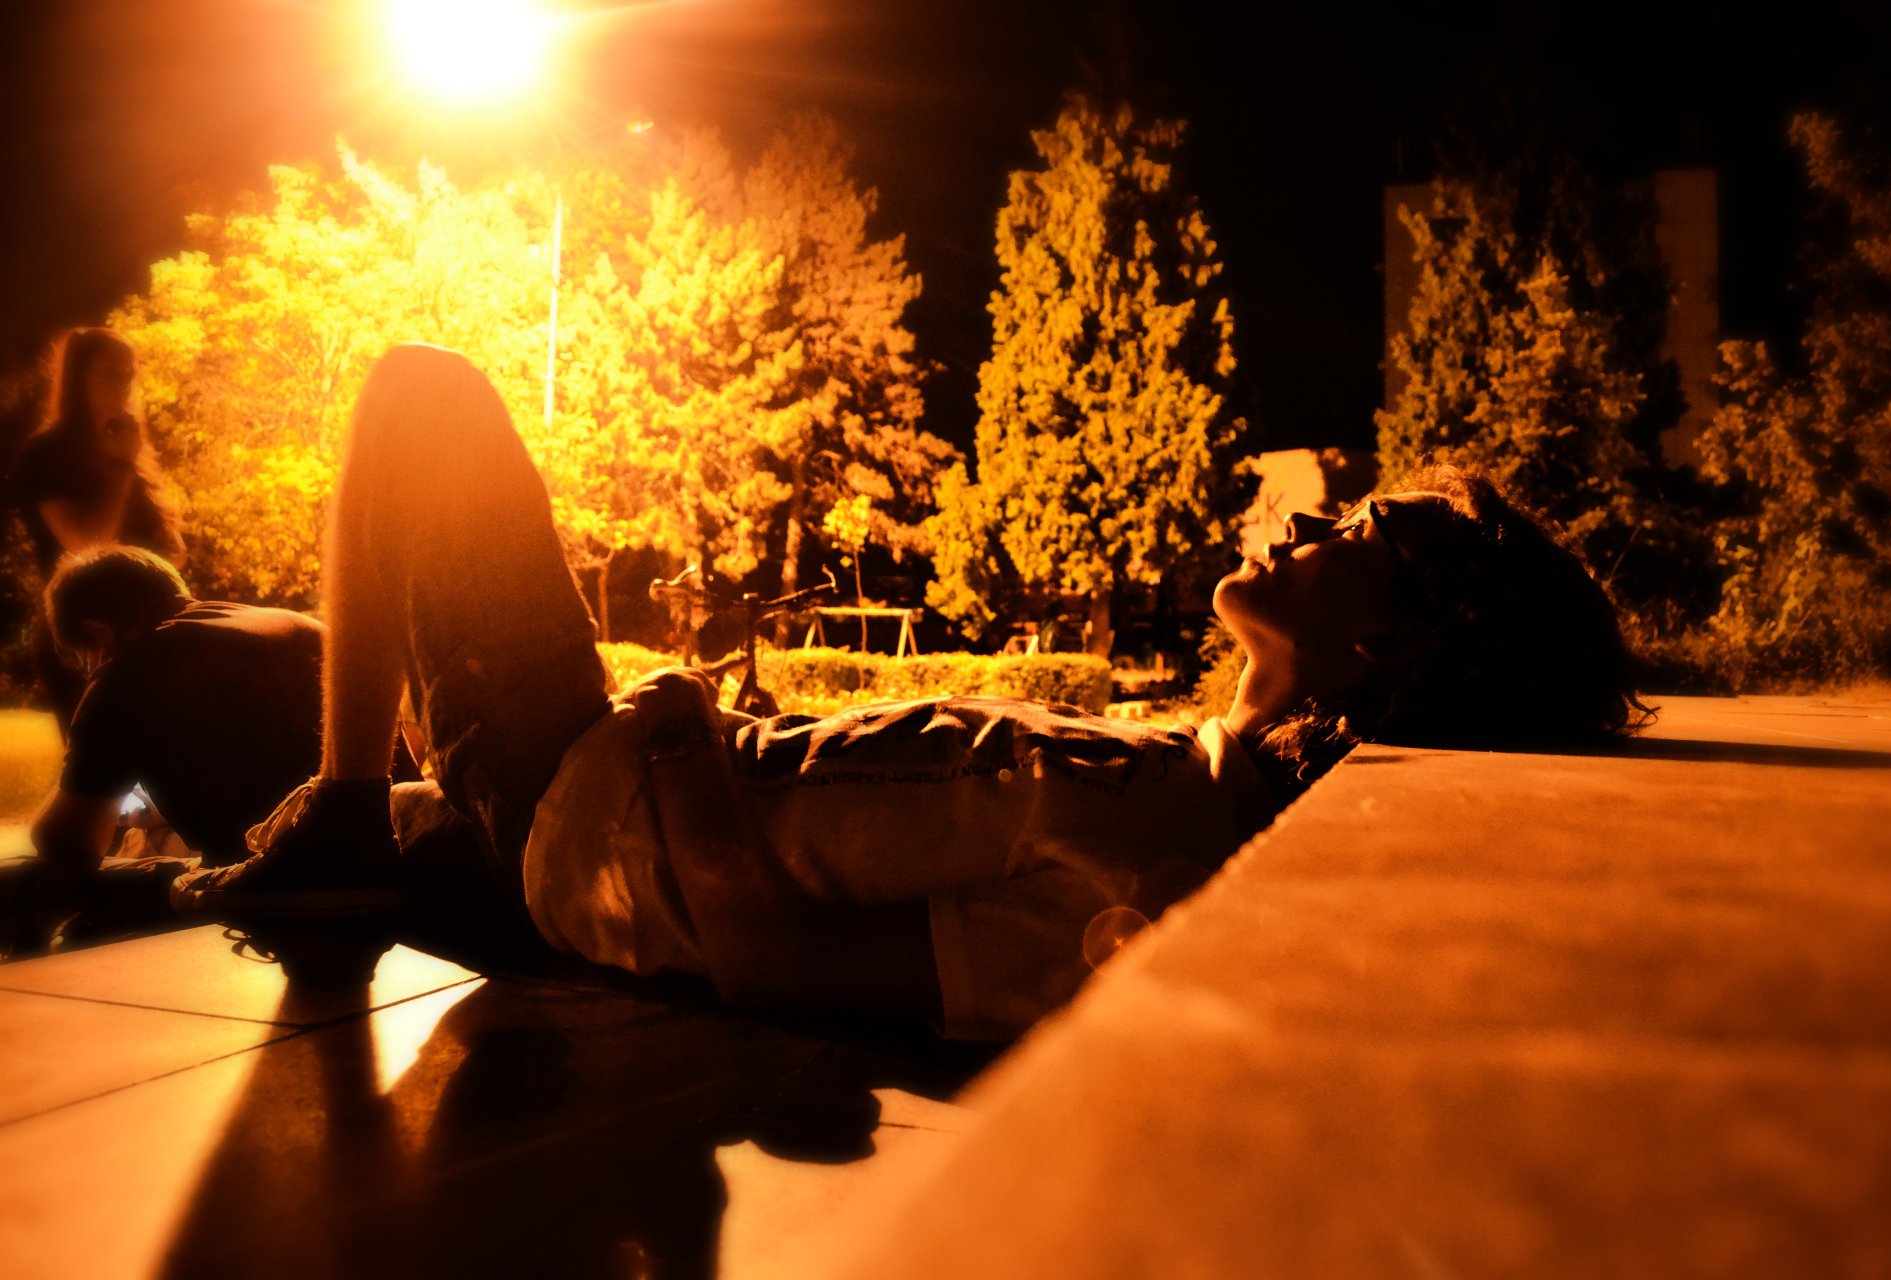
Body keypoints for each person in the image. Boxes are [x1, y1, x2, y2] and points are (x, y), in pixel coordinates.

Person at [173, 344, 1645, 1040]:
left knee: (416, 398)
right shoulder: (1193, 778)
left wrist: (682, 732)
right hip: (589, 817)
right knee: (227, 841)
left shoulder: (1165, 859)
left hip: (595, 800)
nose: (1308, 524)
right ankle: (351, 823)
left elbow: (783, 972)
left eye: (1355, 539)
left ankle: (358, 815)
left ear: (1386, 653)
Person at [16, 547, 331, 945]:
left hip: (275, 889)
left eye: (83, 662)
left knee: (21, 883)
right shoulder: (304, 629)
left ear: (98, 632)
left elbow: (68, 845)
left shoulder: (128, 672)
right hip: (388, 865)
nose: (89, 676)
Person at [8, 328, 185, 731]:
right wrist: (121, 467)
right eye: (109, 373)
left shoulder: (131, 452)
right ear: (77, 380)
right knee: (104, 784)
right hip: (83, 642)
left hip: (148, 639)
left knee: (154, 784)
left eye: (129, 373)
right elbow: (87, 543)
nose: (123, 384)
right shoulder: (47, 455)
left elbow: (171, 548)